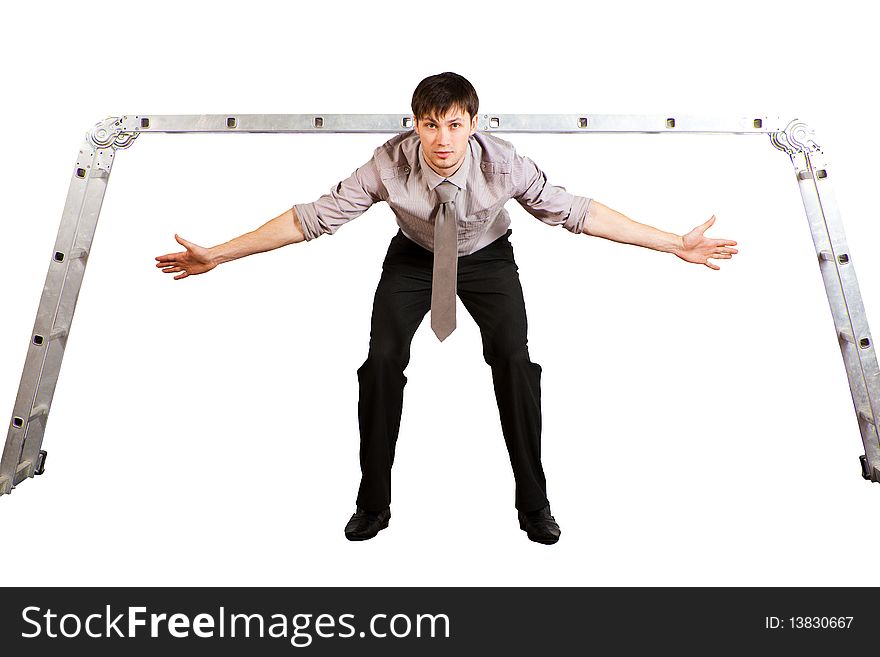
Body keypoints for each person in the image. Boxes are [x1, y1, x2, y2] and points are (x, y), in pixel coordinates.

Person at [155, 72, 738, 545]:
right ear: (415, 124)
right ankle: (372, 505)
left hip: (488, 257)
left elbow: (580, 212)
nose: (441, 139)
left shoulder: (504, 162)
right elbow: (312, 217)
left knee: (514, 361)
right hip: (413, 257)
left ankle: (534, 505)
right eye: (430, 125)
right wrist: (221, 255)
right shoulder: (387, 163)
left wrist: (673, 243)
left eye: (454, 125)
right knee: (380, 361)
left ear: (473, 125)